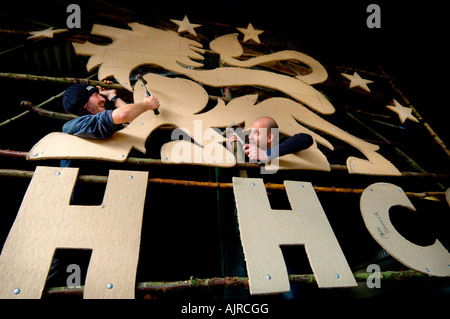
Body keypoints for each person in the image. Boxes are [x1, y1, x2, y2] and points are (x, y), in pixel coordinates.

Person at [227, 116, 314, 163]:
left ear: (270, 138)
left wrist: (266, 154)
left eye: (256, 133)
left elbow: (306, 139)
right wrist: (230, 151)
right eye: (251, 132)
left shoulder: (281, 141)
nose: (250, 137)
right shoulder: (247, 144)